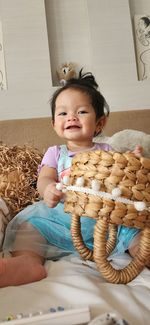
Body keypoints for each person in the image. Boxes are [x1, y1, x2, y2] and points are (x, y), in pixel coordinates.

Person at [0, 71, 149, 288]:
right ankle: (27, 263)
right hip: (61, 219)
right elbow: (44, 178)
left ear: (100, 123)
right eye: (62, 113)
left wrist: (132, 162)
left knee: (137, 233)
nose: (71, 117)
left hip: (105, 222)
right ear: (53, 124)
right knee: (30, 229)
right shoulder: (55, 153)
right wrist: (48, 189)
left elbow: (123, 177)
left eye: (81, 111)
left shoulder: (107, 151)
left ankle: (143, 255)